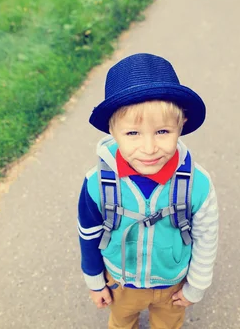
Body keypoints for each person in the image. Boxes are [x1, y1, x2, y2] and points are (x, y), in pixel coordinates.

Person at [77, 53, 218, 328]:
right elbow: (88, 235)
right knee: (121, 322)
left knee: (168, 324)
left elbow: (206, 236)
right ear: (112, 132)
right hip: (121, 281)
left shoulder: (198, 184)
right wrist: (95, 282)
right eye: (133, 134)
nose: (150, 148)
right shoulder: (96, 184)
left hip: (172, 284)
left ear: (181, 125)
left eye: (163, 131)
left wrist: (197, 285)